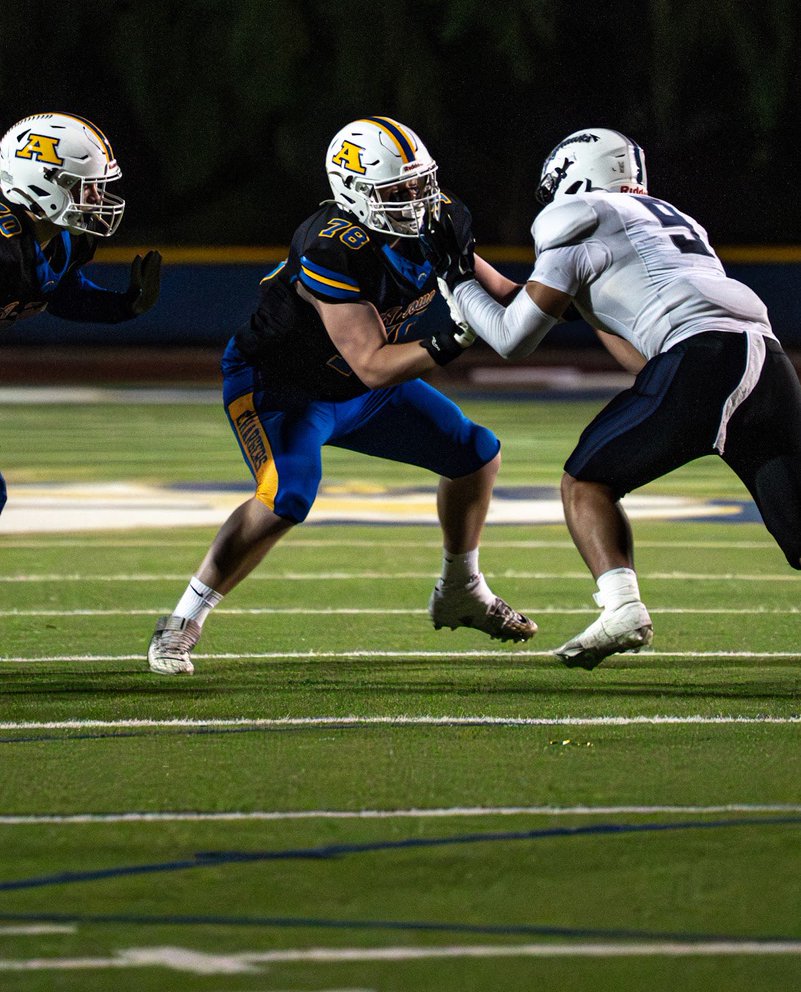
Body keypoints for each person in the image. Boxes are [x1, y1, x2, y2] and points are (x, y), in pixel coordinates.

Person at [147, 115, 536, 675]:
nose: (416, 200)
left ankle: (461, 589)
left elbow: (504, 294)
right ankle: (181, 623)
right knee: (288, 495)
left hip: (357, 387)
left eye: (420, 183)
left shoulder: (442, 217)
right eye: (396, 191)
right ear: (353, 194)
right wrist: (455, 334)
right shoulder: (333, 246)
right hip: (284, 389)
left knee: (476, 453)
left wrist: (569, 294)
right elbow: (374, 364)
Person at [431, 127, 801, 669]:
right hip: (766, 363)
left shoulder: (577, 215)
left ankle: (623, 607)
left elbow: (512, 337)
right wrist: (468, 263)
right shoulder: (663, 219)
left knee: (587, 482)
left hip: (703, 359)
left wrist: (457, 280)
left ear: (572, 177)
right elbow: (635, 353)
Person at [0, 111, 162, 514]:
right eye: (87, 187)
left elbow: (56, 292)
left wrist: (120, 306)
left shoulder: (62, 241)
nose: (98, 199)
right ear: (46, 184)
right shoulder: (4, 252)